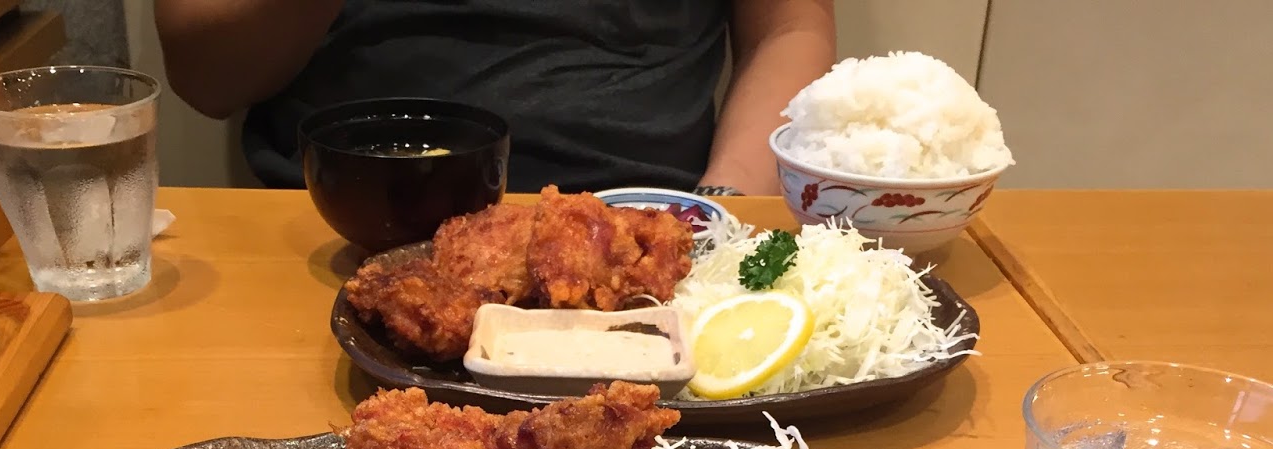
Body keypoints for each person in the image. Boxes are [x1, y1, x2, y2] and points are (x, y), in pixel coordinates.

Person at [153, 0, 836, 195]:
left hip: (653, 220)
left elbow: (789, 29)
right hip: (341, 225)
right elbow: (207, 80)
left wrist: (721, 210)